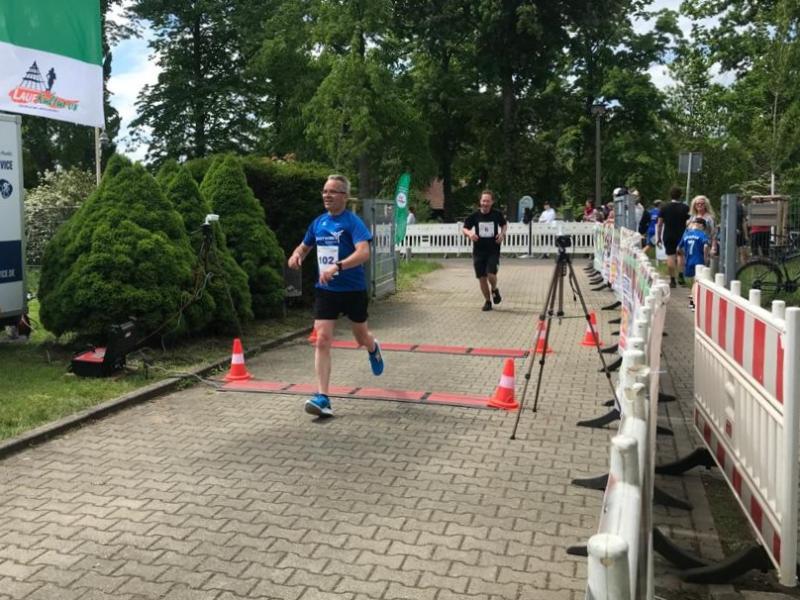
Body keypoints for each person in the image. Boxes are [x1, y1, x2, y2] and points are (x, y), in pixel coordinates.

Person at [287, 174, 384, 418]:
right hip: (326, 291)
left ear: (344, 196)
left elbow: (364, 253)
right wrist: (296, 256)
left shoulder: (353, 222)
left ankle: (373, 348)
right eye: (324, 191)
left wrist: (338, 267)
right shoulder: (318, 222)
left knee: (360, 337)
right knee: (322, 339)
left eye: (332, 191)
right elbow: (304, 247)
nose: (326, 195)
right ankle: (323, 398)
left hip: (353, 290)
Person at [462, 190, 508, 311]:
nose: (485, 203)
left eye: (488, 201)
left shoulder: (497, 214)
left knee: (491, 274)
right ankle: (488, 301)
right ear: (480, 201)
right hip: (479, 251)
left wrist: (502, 234)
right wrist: (470, 233)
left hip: (493, 250)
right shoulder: (474, 216)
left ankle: (494, 289)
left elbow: (504, 225)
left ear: (492, 202)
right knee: (482, 278)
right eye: (483, 201)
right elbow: (465, 228)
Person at [656, 186, 690, 288]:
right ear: (680, 195)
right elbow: (688, 222)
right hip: (681, 234)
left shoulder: (664, 207)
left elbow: (660, 224)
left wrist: (658, 237)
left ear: (670, 195)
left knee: (670, 256)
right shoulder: (685, 208)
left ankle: (672, 280)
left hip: (668, 234)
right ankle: (681, 276)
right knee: (680, 255)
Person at [678, 218, 711, 310]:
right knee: (696, 283)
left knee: (694, 281)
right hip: (699, 261)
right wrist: (705, 258)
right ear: (702, 226)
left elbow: (678, 248)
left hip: (689, 261)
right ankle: (693, 303)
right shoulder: (702, 234)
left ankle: (694, 299)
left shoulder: (687, 234)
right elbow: (705, 246)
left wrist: (685, 255)